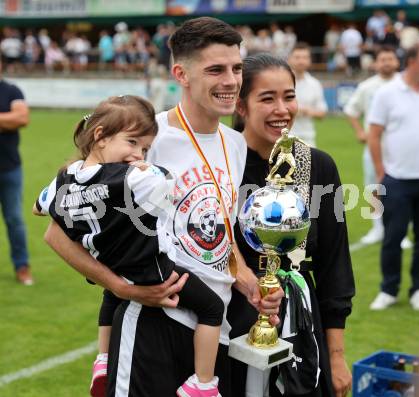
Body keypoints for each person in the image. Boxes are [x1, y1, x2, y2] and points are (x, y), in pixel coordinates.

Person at [42, 17, 283, 397]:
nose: (231, 81)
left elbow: (219, 228)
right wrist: (122, 288)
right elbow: (57, 233)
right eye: (215, 70)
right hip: (154, 319)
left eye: (236, 69)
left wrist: (249, 281)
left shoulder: (234, 144)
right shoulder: (144, 138)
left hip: (210, 328)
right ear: (181, 74)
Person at [35, 95, 231, 397]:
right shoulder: (130, 178)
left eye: (144, 149)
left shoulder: (64, 178)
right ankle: (203, 384)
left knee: (110, 295)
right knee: (212, 308)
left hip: (110, 264)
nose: (138, 154)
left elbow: (40, 206)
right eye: (132, 143)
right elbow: (165, 185)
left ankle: (102, 359)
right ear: (100, 136)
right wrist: (147, 169)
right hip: (153, 269)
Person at [228, 53, 355, 397]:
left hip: (300, 322)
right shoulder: (221, 163)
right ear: (241, 106)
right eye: (267, 98)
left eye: (289, 96)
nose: (282, 109)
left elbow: (334, 265)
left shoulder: (317, 166)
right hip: (227, 323)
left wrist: (337, 356)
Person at [368, 42, 419, 311]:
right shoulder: (387, 93)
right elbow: (374, 135)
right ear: (411, 61)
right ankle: (389, 289)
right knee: (392, 237)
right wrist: (380, 173)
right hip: (397, 179)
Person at [344, 46, 412, 249]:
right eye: (383, 59)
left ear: (397, 62)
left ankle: (402, 232)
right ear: (376, 63)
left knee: (402, 190)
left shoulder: (405, 85)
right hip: (374, 147)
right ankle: (377, 229)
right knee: (374, 188)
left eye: (390, 58)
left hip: (401, 149)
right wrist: (359, 131)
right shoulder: (367, 87)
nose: (387, 63)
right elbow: (351, 110)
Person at [0, 58, 32, 285]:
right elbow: (12, 119)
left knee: (14, 219)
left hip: (9, 167)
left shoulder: (11, 90)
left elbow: (21, 117)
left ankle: (22, 267)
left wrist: (11, 120)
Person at [287, 42, 327, 147]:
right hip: (284, 138)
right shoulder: (281, 82)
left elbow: (322, 113)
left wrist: (305, 111)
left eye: (305, 57)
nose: (301, 61)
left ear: (309, 60)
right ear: (289, 59)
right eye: (297, 57)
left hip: (308, 139)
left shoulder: (315, 84)